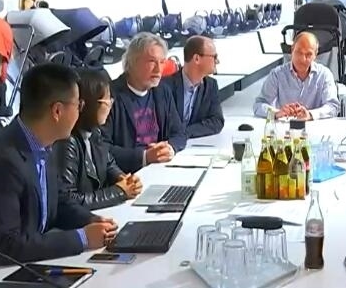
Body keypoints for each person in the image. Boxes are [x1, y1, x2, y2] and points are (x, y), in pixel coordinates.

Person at [0, 64, 118, 288]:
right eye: (78, 105)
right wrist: (82, 238)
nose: (80, 111)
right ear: (57, 111)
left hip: (27, 268)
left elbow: (59, 201)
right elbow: (5, 246)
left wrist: (90, 221)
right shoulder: (1, 160)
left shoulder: (41, 143)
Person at [55, 69, 143, 210]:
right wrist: (119, 191)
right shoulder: (67, 142)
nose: (110, 105)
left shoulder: (95, 132)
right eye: (106, 100)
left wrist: (124, 179)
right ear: (86, 104)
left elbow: (108, 163)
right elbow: (68, 200)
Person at [102, 32, 187, 174]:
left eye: (162, 62)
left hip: (159, 170)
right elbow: (101, 149)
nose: (158, 69)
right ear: (132, 62)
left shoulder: (162, 91)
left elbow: (179, 133)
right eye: (152, 61)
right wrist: (144, 157)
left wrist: (171, 148)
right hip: (125, 176)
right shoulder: (110, 95)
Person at [253, 32, 341, 120]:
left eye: (308, 54)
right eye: (299, 52)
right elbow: (258, 105)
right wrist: (276, 113)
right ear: (292, 50)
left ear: (315, 54)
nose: (302, 59)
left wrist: (310, 115)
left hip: (315, 126)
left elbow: (333, 106)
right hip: (285, 126)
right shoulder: (277, 74)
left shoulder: (324, 75)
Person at [160, 36, 224, 138]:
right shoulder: (165, 87)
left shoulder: (211, 85)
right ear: (197, 59)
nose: (217, 61)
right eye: (214, 57)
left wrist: (186, 132)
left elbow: (217, 121)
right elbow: (163, 126)